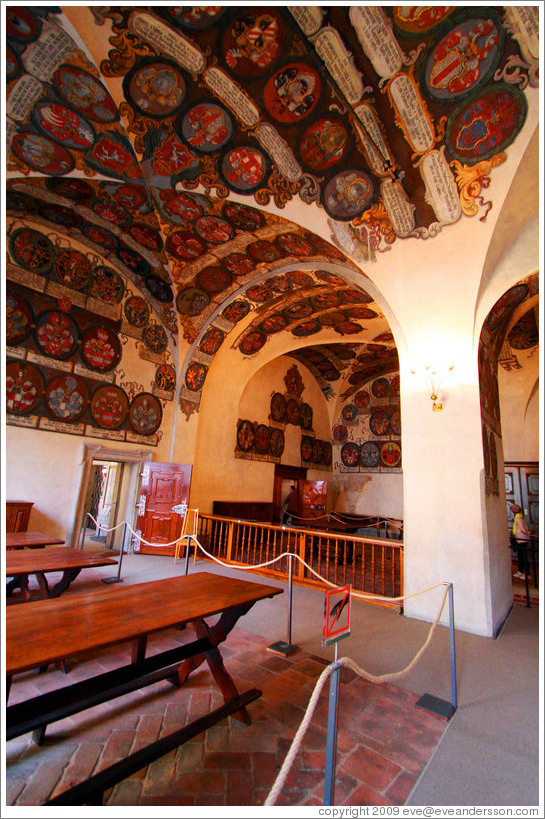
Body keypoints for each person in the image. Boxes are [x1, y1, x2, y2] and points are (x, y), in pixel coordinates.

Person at [510, 503, 531, 580]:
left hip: (522, 539)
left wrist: (525, 532)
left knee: (523, 557)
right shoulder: (520, 517)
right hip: (522, 539)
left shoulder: (518, 519)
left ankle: (526, 573)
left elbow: (523, 529)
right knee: (521, 556)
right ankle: (520, 571)